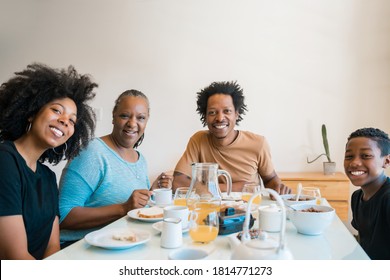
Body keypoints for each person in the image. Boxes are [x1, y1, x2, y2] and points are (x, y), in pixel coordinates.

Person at [0, 63, 97, 259]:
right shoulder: (4, 160)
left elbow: (52, 246)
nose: (64, 121)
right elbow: (15, 256)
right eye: (56, 110)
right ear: (31, 113)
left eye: (72, 120)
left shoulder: (48, 177)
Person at [59, 89, 172, 247]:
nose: (132, 123)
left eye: (141, 118)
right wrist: (123, 208)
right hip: (80, 247)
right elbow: (64, 216)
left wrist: (152, 192)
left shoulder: (140, 160)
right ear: (113, 116)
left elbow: (134, 208)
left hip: (122, 243)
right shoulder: (92, 151)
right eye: (125, 116)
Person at [172, 81, 290, 194]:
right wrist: (232, 187)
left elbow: (270, 179)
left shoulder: (258, 143)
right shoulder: (198, 140)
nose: (219, 118)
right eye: (212, 112)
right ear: (205, 116)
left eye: (227, 111)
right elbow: (178, 183)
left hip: (248, 210)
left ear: (237, 114)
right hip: (210, 208)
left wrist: (279, 188)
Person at [344, 127, 390, 260]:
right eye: (349, 156)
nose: (354, 163)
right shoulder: (357, 197)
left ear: (386, 161)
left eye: (366, 156)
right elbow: (365, 245)